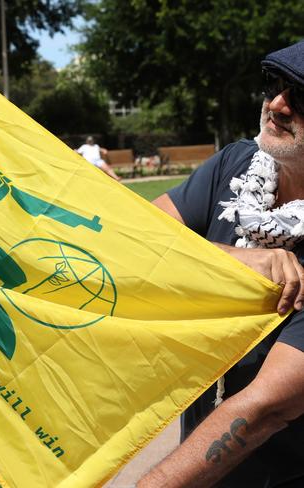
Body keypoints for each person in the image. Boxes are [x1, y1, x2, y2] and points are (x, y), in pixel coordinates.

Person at [138, 41, 304, 488]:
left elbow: (263, 408)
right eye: (275, 85)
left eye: (301, 97)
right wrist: (232, 262)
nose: (278, 104)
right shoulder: (237, 164)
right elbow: (132, 239)